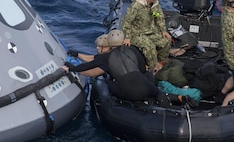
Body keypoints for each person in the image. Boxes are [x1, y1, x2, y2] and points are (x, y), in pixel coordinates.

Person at [62, 29, 196, 107]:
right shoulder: (133, 50)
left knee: (106, 82)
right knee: (154, 88)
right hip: (145, 86)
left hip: (127, 92)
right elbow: (143, 68)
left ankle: (124, 103)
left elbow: (88, 66)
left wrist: (71, 68)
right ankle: (173, 100)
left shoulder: (106, 57)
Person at [121, 0, 171, 74]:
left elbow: (159, 17)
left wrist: (163, 30)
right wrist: (127, 37)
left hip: (150, 32)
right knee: (149, 47)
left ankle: (161, 61)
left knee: (166, 41)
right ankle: (153, 69)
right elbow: (126, 22)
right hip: (136, 34)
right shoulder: (136, 7)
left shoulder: (155, 5)